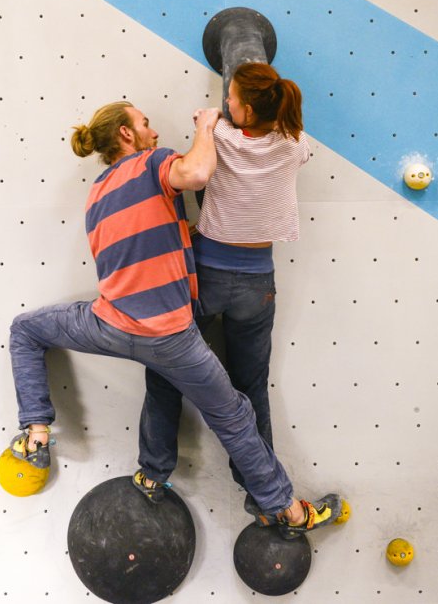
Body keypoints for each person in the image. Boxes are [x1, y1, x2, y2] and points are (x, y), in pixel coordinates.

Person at [7, 100, 336, 536]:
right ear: (126, 135)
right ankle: (288, 510)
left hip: (109, 325)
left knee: (25, 330)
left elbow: (145, 240)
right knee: (235, 415)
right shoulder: (151, 164)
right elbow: (198, 173)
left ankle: (36, 435)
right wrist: (206, 125)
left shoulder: (98, 192)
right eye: (145, 124)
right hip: (167, 334)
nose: (154, 131)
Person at [139, 62, 328, 527]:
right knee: (250, 388)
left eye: (233, 99)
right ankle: (258, 496)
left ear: (242, 108)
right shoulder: (293, 145)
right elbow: (297, 141)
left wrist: (208, 123)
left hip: (205, 276)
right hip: (257, 283)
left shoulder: (219, 136)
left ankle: (153, 473)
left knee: (167, 371)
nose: (226, 102)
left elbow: (201, 158)